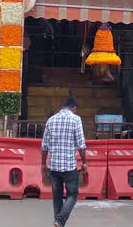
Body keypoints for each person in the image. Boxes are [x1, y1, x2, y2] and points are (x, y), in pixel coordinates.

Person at [41, 97, 88, 227]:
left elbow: (44, 146)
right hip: (69, 166)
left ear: (63, 106)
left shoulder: (51, 120)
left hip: (54, 167)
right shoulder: (76, 119)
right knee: (72, 194)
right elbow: (81, 144)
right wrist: (84, 162)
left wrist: (43, 164)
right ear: (74, 108)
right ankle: (60, 220)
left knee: (57, 197)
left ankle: (58, 222)